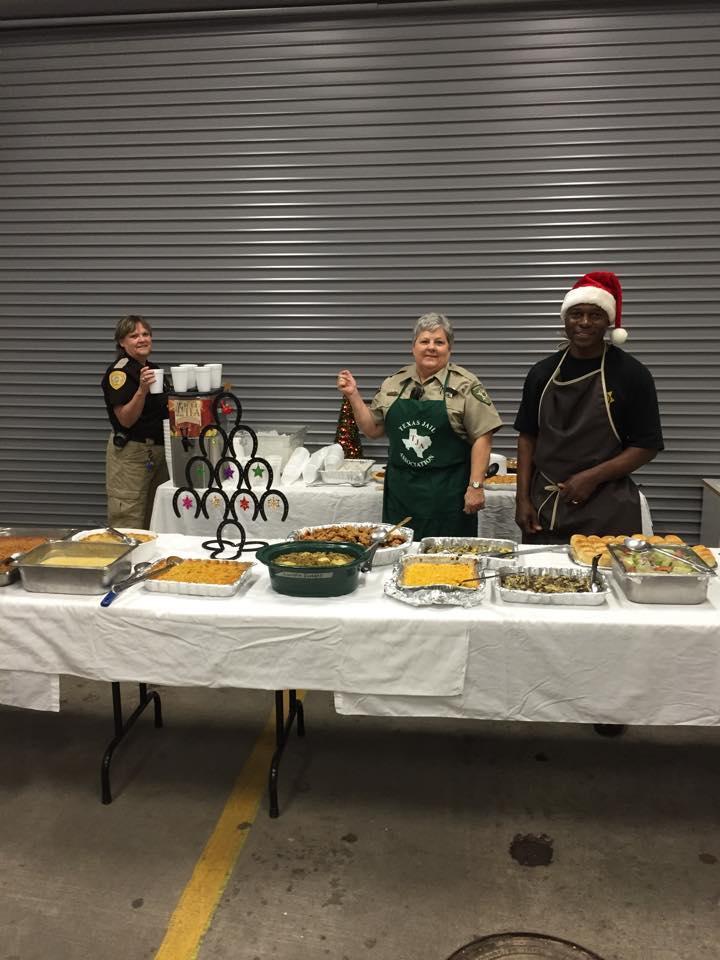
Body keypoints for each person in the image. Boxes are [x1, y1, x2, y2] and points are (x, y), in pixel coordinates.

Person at [514, 271, 663, 544]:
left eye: (595, 315)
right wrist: (522, 499)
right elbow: (527, 437)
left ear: (608, 322)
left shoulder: (631, 374)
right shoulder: (541, 372)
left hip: (608, 509)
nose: (584, 322)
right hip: (546, 505)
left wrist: (592, 477)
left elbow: (647, 445)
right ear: (565, 320)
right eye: (576, 314)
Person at [336, 312, 502, 540]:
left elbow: (483, 436)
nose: (431, 347)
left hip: (448, 494)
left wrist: (475, 486)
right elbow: (373, 430)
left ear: (449, 348)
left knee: (449, 561)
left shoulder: (465, 384)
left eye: (439, 342)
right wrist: (353, 395)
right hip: (401, 495)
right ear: (413, 347)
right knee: (400, 554)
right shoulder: (394, 382)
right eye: (424, 341)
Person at [101, 315, 169, 529]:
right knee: (128, 519)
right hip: (132, 454)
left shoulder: (152, 368)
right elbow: (126, 420)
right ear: (122, 342)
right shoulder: (119, 373)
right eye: (134, 336)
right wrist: (141, 390)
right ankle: (126, 563)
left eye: (145, 334)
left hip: (158, 453)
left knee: (156, 519)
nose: (142, 339)